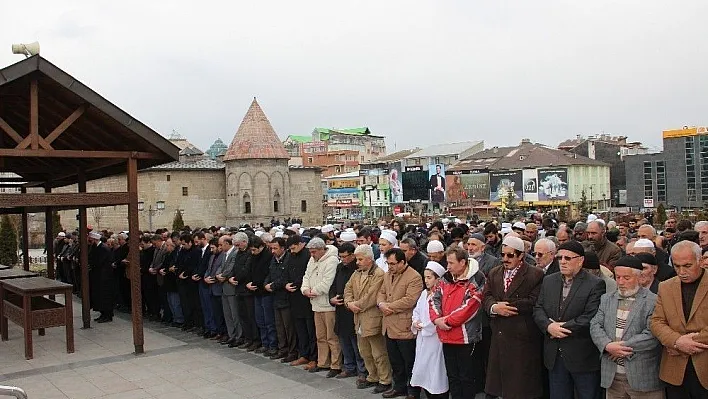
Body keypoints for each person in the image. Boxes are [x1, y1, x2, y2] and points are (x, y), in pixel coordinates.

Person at [533, 240, 606, 399]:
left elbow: (591, 315)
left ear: (580, 260)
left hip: (582, 356)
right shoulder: (549, 280)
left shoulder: (595, 284)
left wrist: (562, 328)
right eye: (560, 258)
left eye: (568, 258)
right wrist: (548, 327)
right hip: (554, 356)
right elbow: (538, 308)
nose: (563, 262)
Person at [589, 255, 664, 399]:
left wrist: (619, 348)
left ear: (640, 277)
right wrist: (607, 345)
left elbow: (652, 333)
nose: (621, 282)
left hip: (642, 376)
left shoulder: (653, 301)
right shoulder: (607, 299)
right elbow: (595, 324)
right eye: (618, 277)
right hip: (612, 376)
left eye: (626, 278)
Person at [483, 235, 545, 399]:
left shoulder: (535, 274)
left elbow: (534, 301)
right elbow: (487, 296)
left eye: (510, 255)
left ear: (521, 256)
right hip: (498, 334)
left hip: (522, 336)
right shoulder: (494, 272)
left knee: (520, 386)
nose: (505, 259)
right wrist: (495, 307)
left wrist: (505, 305)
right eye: (503, 255)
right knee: (499, 384)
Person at [650, 240, 708, 398]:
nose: (681, 271)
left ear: (701, 261)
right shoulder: (666, 286)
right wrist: (676, 341)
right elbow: (657, 322)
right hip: (674, 372)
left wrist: (683, 344)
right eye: (676, 266)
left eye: (687, 266)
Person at [430, 246, 486, 399]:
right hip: (446, 335)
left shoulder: (477, 280)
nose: (447, 266)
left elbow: (470, 307)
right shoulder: (445, 279)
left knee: (466, 378)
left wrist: (445, 320)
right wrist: (436, 319)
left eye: (451, 263)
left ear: (462, 262)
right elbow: (434, 300)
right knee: (453, 376)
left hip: (465, 338)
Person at [344, 244, 392, 394]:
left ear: (369, 259)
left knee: (378, 352)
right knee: (364, 351)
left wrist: (354, 304)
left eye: (360, 259)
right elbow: (348, 289)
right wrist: (349, 303)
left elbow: (371, 297)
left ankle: (385, 379)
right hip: (358, 317)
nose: (357, 262)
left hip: (372, 317)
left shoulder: (378, 274)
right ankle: (372, 376)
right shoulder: (357, 273)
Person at [378, 248, 424, 399]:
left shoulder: (414, 277)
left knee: (409, 361)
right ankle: (399, 387)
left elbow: (410, 300)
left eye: (392, 263)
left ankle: (413, 390)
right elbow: (381, 292)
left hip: (404, 325)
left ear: (402, 262)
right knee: (395, 360)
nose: (390, 266)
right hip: (389, 323)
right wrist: (381, 304)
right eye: (388, 263)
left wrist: (389, 306)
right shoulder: (387, 275)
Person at [301, 237, 341, 377]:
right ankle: (323, 362)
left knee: (332, 337)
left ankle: (336, 364)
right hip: (315, 304)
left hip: (327, 304)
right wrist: (305, 289)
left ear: (321, 249)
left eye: (314, 252)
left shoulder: (332, 260)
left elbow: (327, 282)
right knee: (320, 336)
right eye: (310, 252)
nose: (312, 255)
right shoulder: (312, 260)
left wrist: (313, 291)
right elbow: (306, 276)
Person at [410, 261, 449, 399]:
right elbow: (416, 311)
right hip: (422, 338)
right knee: (423, 370)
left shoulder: (442, 296)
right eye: (425, 277)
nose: (426, 280)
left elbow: (439, 316)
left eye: (429, 277)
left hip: (435, 339)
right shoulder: (423, 294)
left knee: (435, 371)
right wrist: (415, 322)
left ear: (438, 278)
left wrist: (425, 326)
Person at [329, 243, 366, 379]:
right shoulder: (340, 267)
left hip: (352, 308)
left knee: (356, 342)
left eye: (345, 256)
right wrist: (331, 297)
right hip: (340, 307)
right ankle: (349, 366)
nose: (343, 259)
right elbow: (333, 285)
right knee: (343, 339)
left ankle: (362, 369)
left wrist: (349, 301)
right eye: (341, 257)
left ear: (352, 255)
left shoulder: (357, 269)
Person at [88, 231, 115, 323]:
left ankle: (107, 315)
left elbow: (100, 262)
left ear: (95, 239)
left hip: (104, 277)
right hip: (98, 276)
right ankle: (102, 313)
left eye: (91, 240)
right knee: (99, 296)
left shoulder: (103, 248)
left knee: (105, 296)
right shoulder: (96, 247)